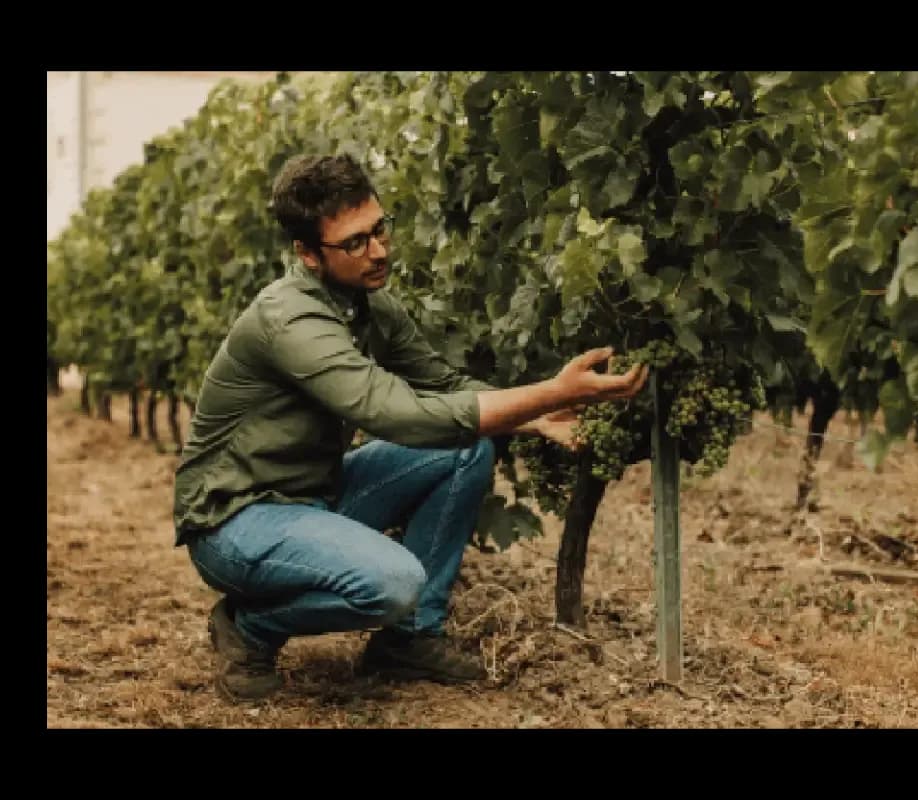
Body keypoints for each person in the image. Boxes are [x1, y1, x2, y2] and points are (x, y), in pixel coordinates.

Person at [172, 153, 648, 703]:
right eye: (354, 243)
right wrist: (554, 391)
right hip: (234, 520)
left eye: (379, 230)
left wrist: (535, 414)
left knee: (467, 450)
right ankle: (249, 628)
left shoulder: (370, 303)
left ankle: (408, 637)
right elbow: (395, 414)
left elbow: (443, 384)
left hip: (310, 499)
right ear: (306, 254)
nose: (378, 251)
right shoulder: (291, 320)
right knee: (393, 581)